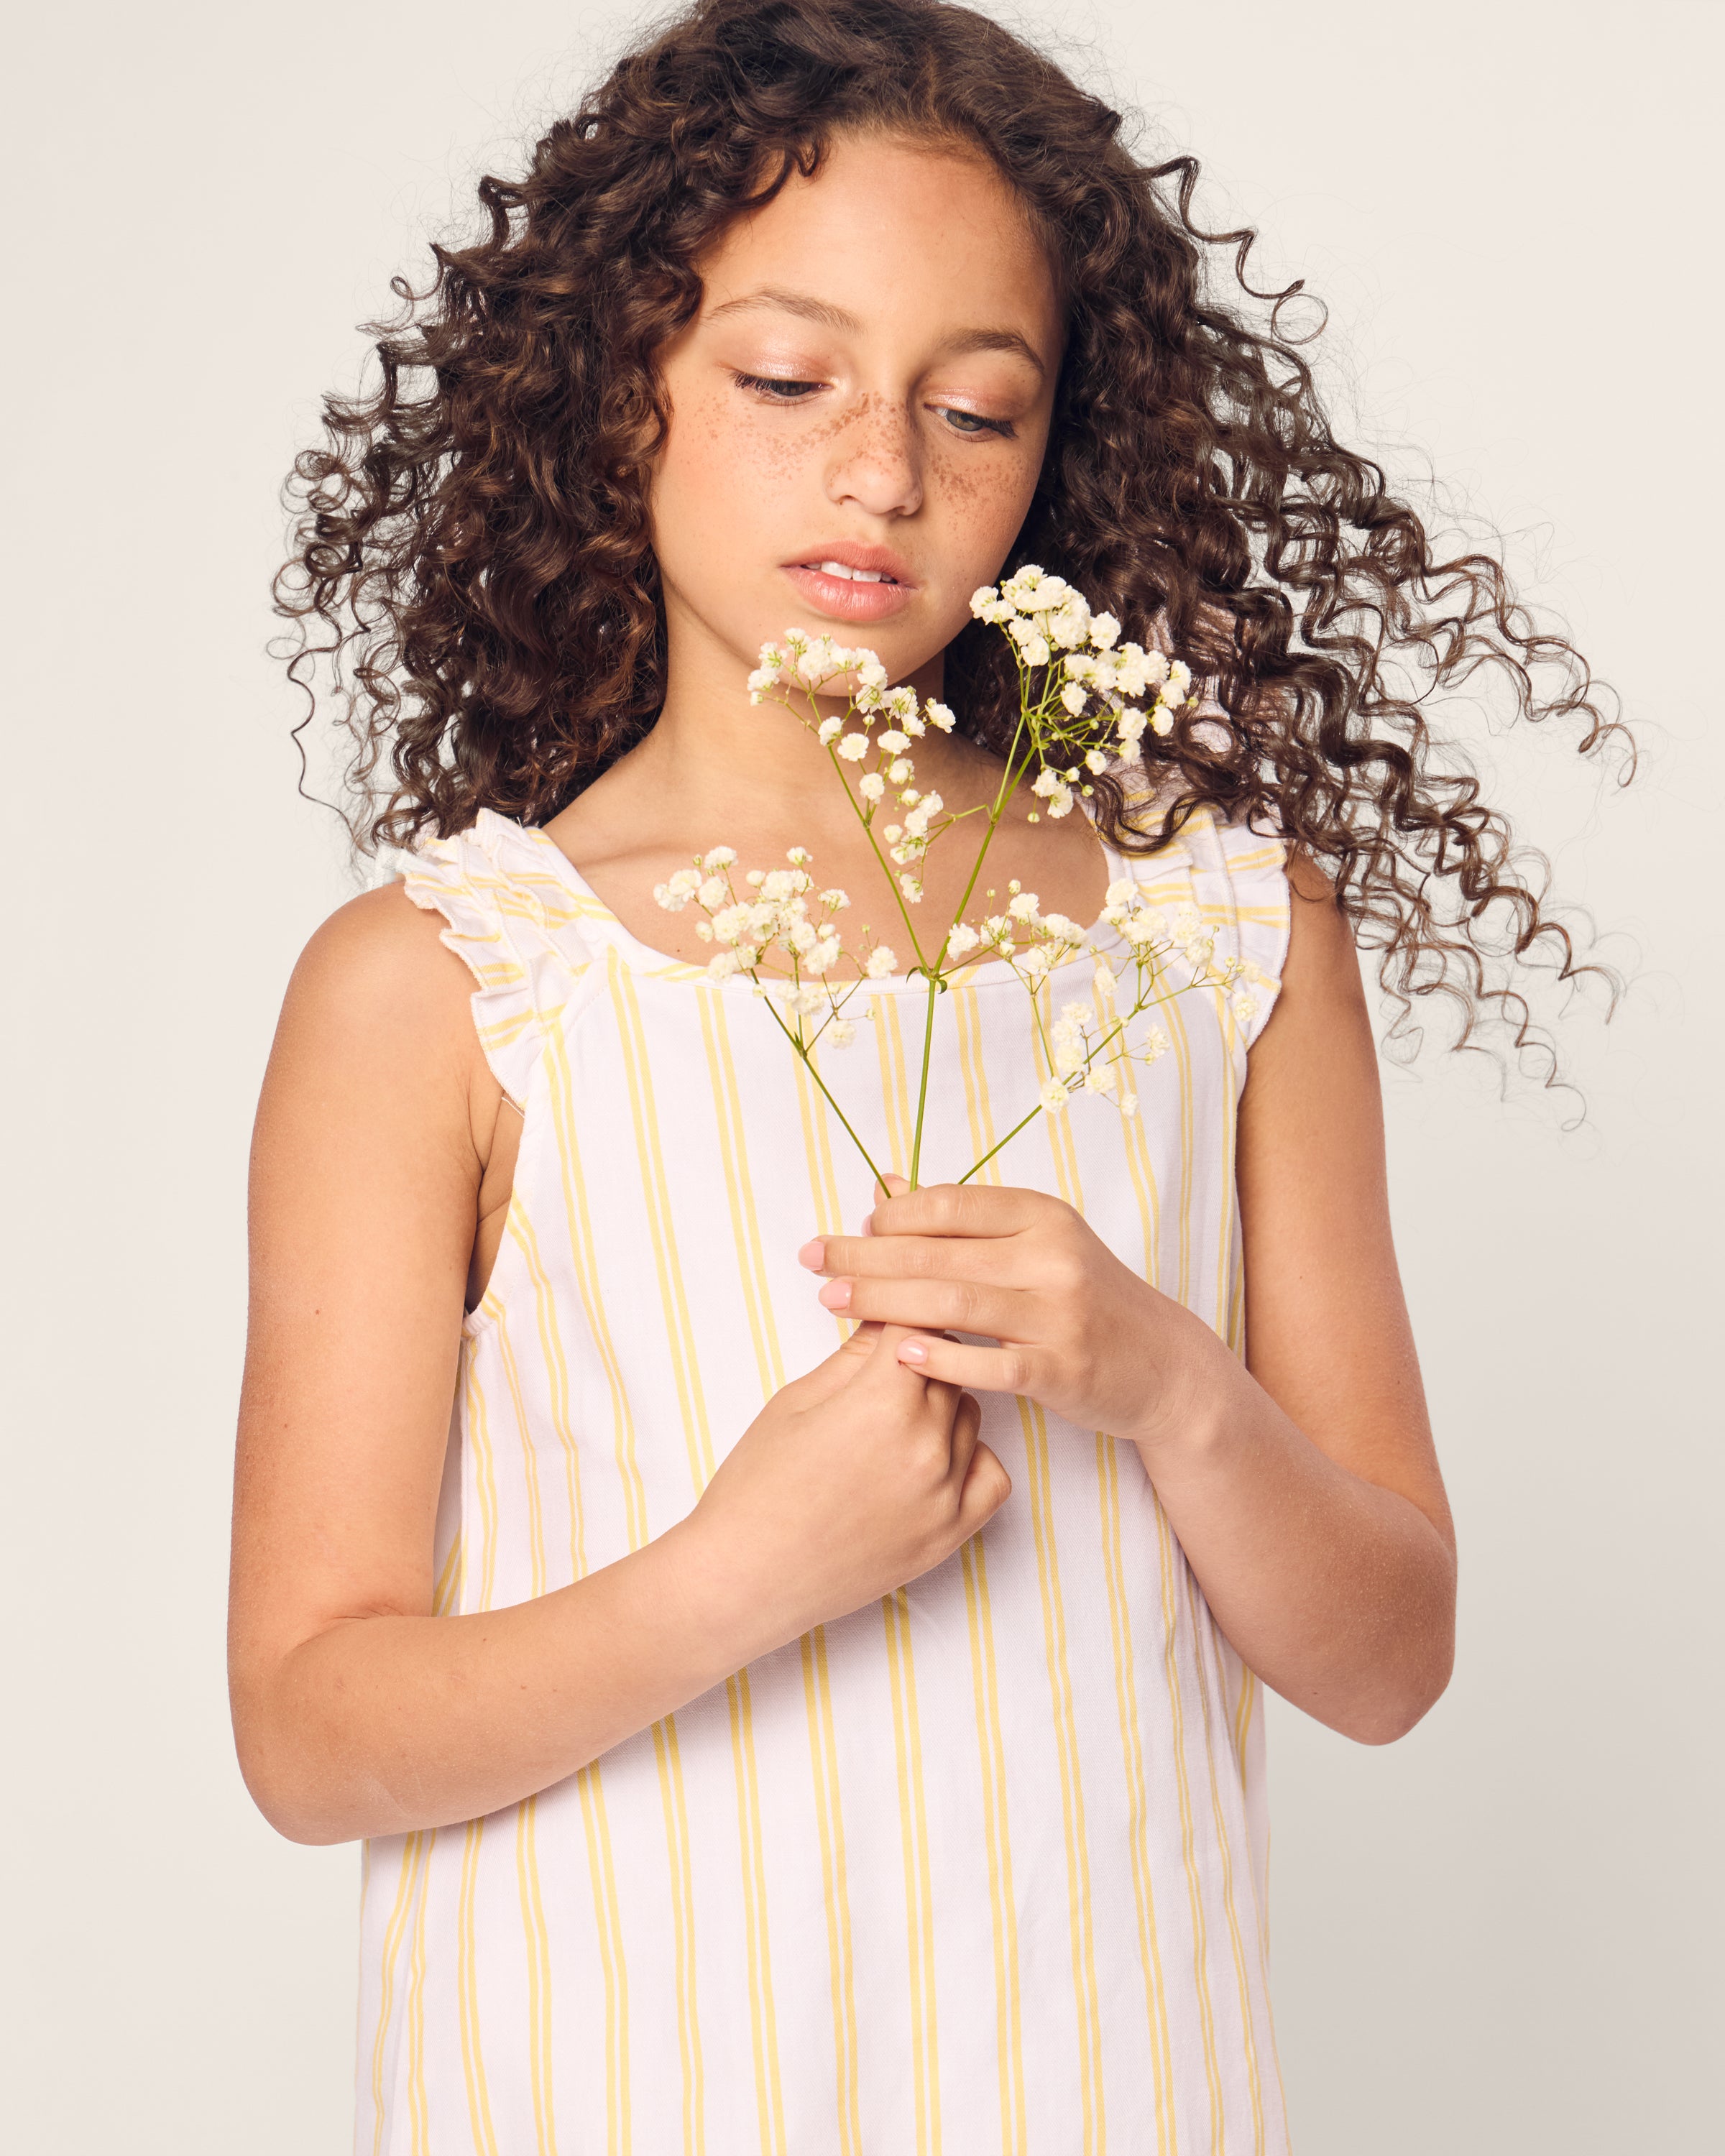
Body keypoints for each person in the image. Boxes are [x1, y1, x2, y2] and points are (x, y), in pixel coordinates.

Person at [229, 2, 1622, 2148]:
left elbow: (1388, 1655)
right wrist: (736, 1574)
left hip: (1102, 2081)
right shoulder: (447, 982)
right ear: (625, 391)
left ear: (1053, 452)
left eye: (974, 410)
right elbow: (310, 1733)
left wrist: (1164, 1376)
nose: (881, 471)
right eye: (787, 382)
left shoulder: (1220, 931)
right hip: (607, 2080)